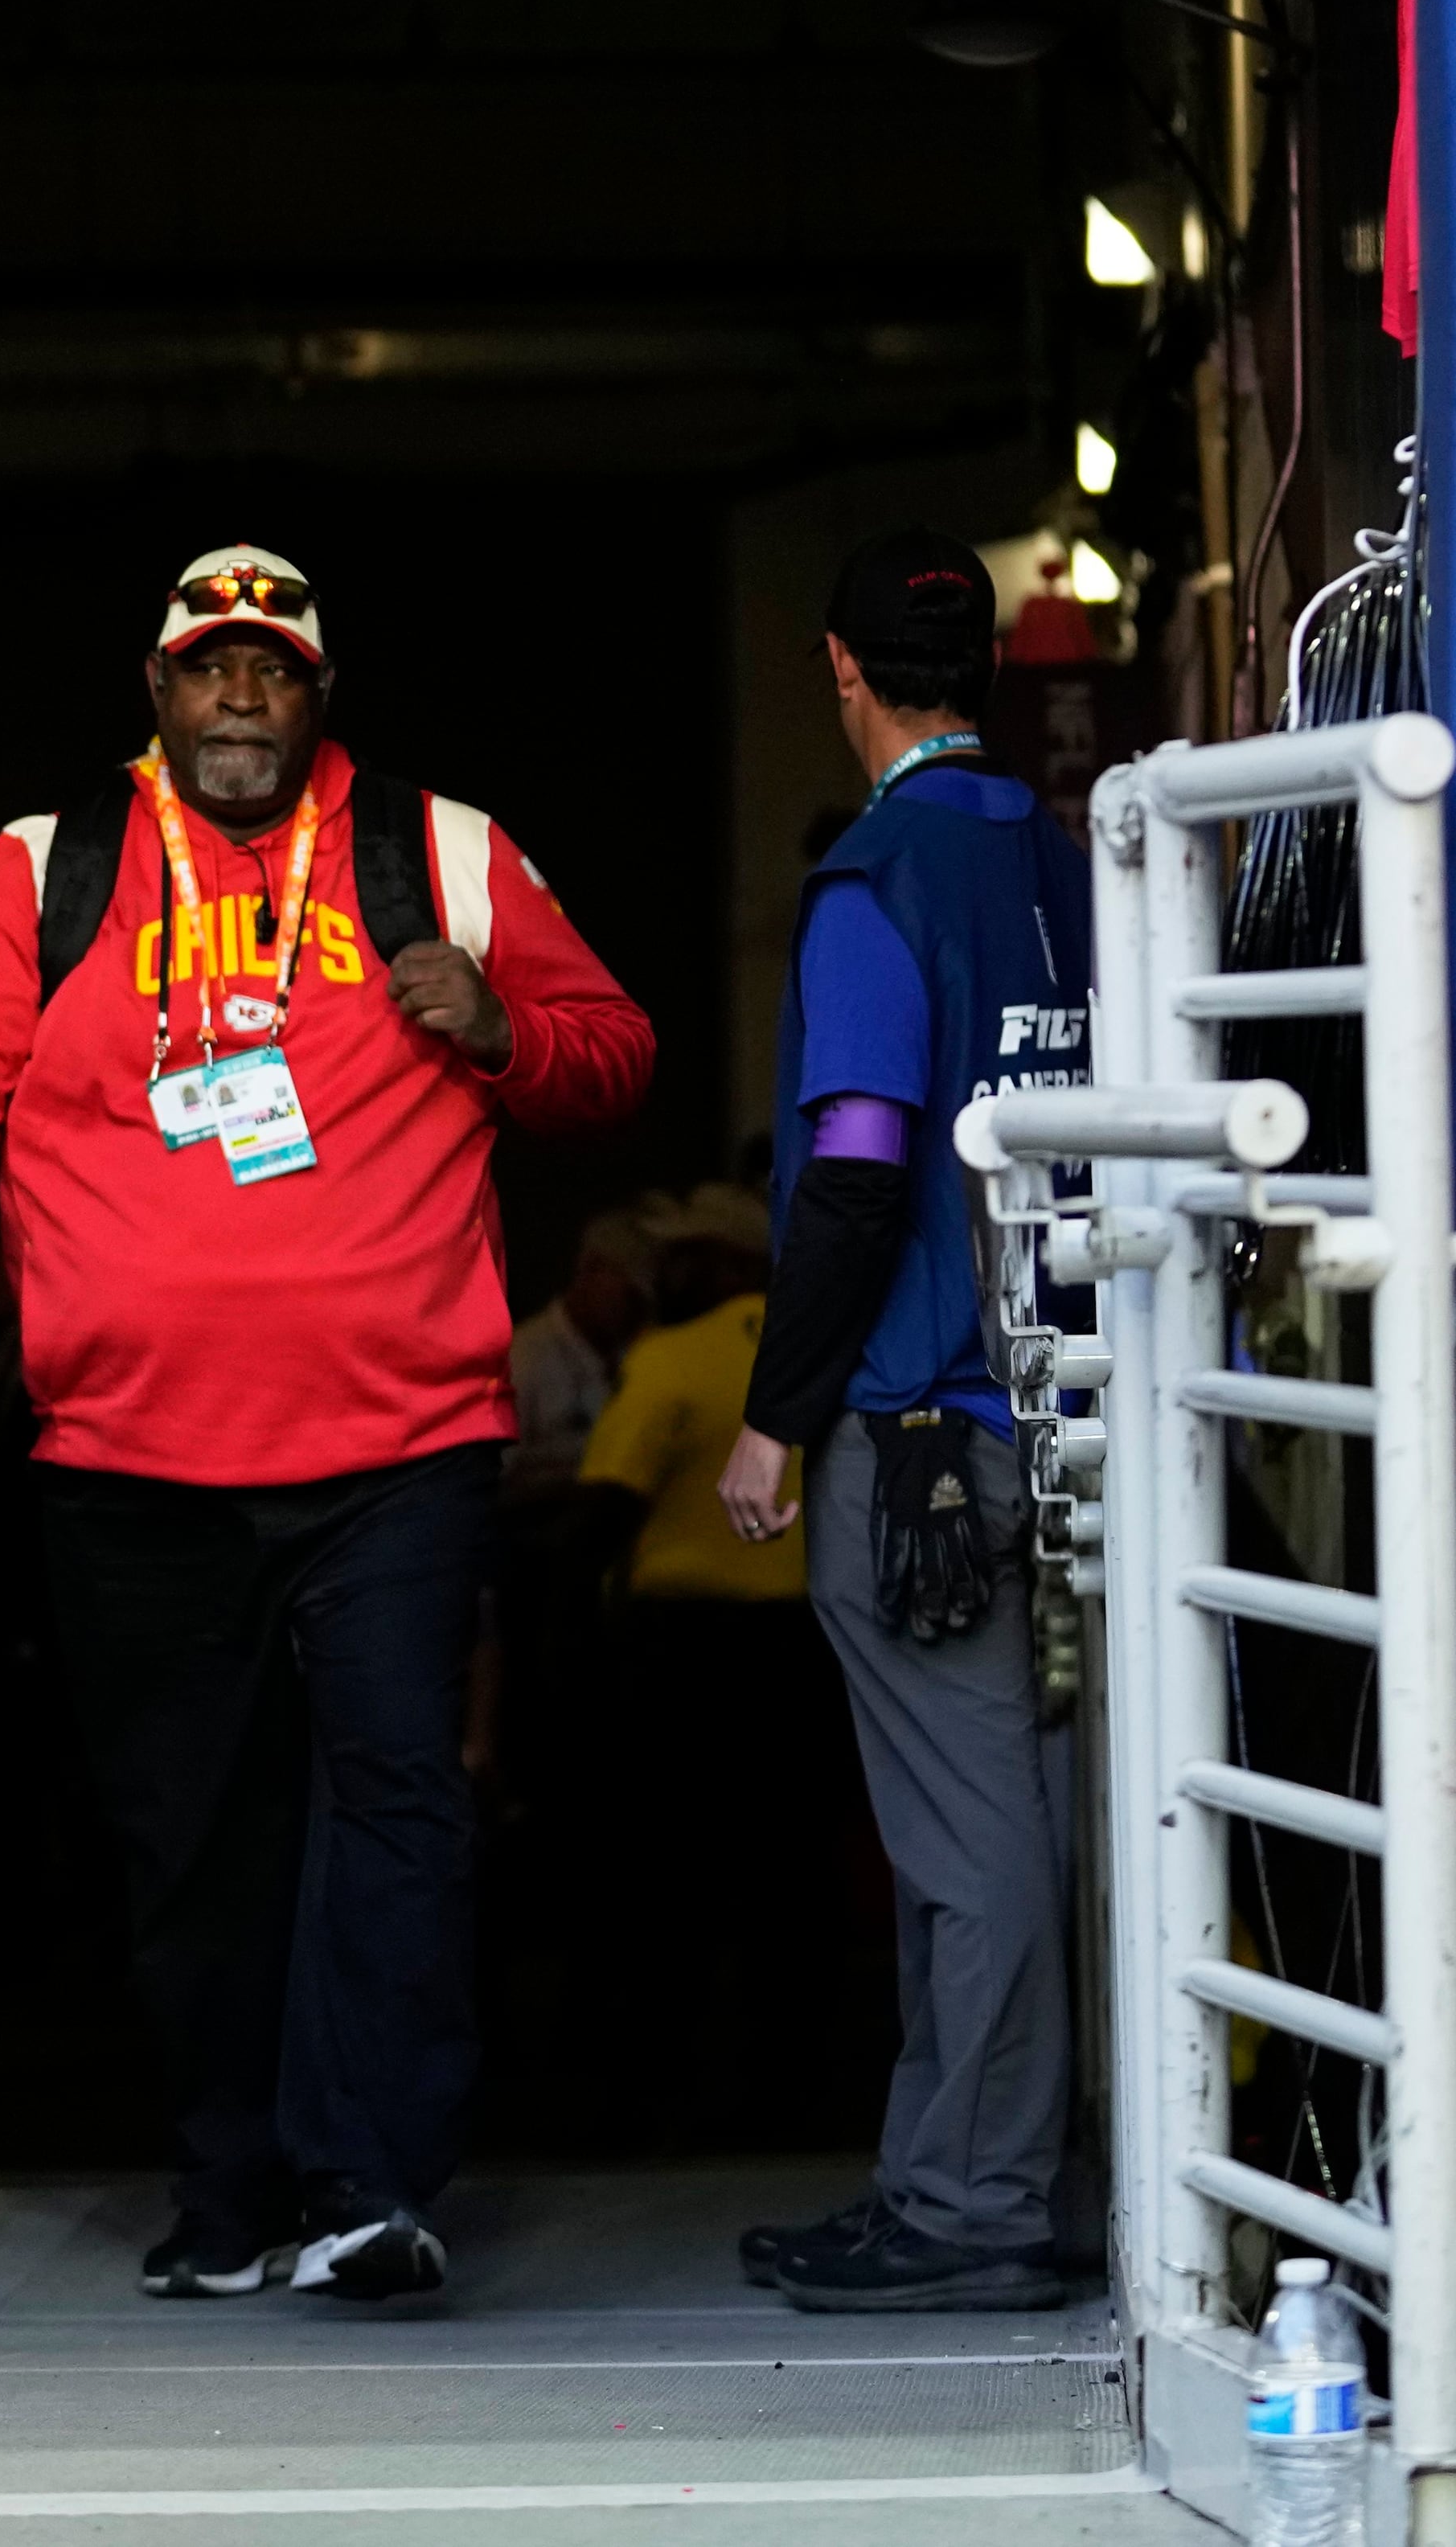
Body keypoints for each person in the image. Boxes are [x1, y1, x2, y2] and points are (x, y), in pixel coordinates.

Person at [0, 547, 654, 2302]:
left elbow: (616, 1049)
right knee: (190, 1835)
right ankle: (233, 2189)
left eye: (270, 670)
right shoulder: (42, 868)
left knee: (395, 1801)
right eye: (206, 667)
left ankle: (369, 2180)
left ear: (316, 697)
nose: (237, 694)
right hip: (129, 1459)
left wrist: (506, 1026)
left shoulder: (437, 849)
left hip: (400, 1450)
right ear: (155, 693)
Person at [719, 525, 1088, 2315]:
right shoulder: (1076, 865)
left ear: (844, 672)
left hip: (927, 1429)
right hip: (1088, 1408)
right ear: (987, 672)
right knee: (1036, 1806)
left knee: (967, 1836)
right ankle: (947, 2171)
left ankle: (977, 2199)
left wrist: (775, 1419)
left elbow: (856, 1174)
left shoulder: (873, 880)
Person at [573, 1183, 861, 2127]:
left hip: (684, 1656)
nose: (668, 1271)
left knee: (666, 1874)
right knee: (798, 1874)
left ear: (732, 1263)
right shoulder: (827, 1352)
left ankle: (658, 2092)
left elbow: (603, 1503)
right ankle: (803, 2089)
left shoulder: (668, 1357)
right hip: (809, 1650)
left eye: (688, 1254)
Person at [504, 1207, 653, 1509]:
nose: (638, 1310)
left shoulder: (642, 1355)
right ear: (590, 1269)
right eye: (630, 1294)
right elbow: (491, 1485)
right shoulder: (524, 1358)